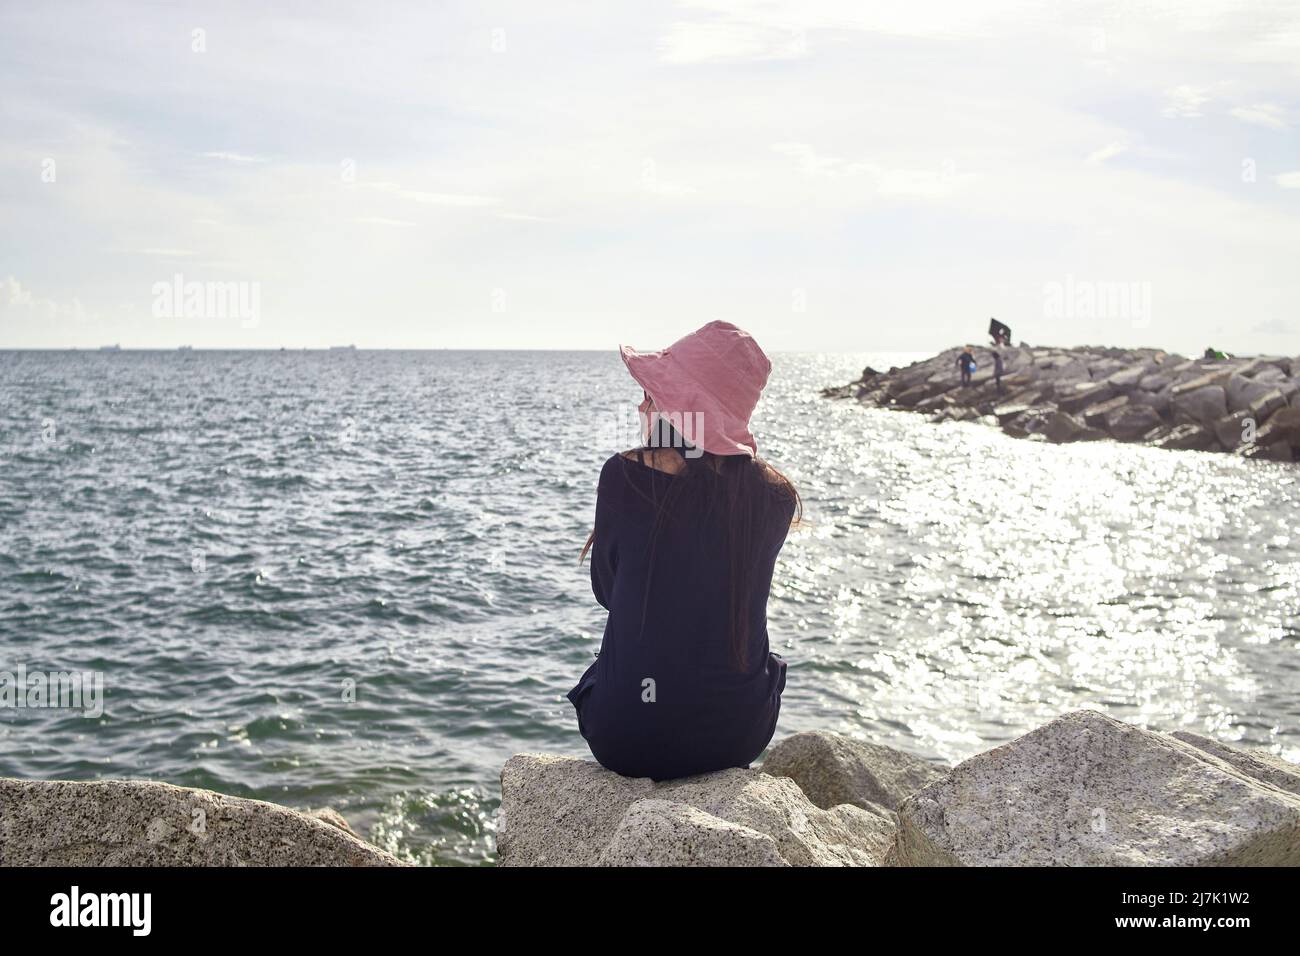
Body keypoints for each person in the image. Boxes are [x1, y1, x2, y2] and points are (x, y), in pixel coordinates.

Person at [567, 321, 802, 781]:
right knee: (763, 666)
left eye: (653, 393)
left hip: (627, 734)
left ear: (679, 410)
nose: (642, 403)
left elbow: (608, 591)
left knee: (604, 673)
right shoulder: (775, 496)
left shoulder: (623, 475)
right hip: (737, 734)